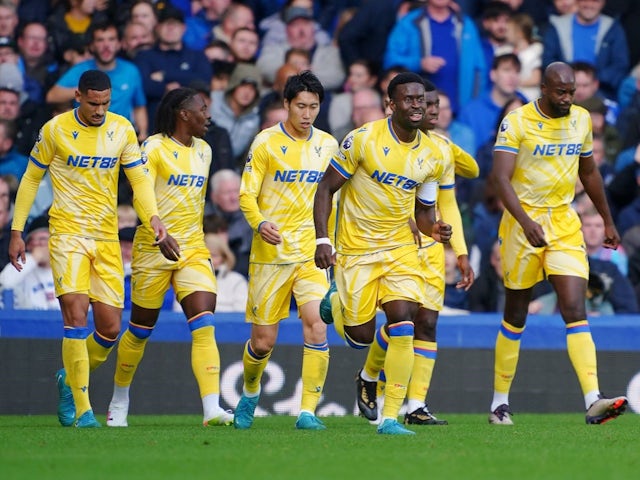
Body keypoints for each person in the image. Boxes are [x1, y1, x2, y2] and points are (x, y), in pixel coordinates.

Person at [7, 70, 167, 428]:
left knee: (110, 329)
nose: (99, 110)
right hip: (66, 234)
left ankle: (69, 377)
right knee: (76, 317)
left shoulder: (122, 129)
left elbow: (138, 177)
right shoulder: (55, 129)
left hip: (106, 238)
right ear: (78, 96)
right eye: (94, 103)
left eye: (105, 103)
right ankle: (83, 409)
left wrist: (153, 216)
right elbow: (32, 177)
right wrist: (17, 231)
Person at [489, 61, 627, 426]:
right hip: (522, 223)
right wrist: (524, 221)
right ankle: (499, 402)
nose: (568, 98)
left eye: (572, 92)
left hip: (564, 222)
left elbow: (589, 171)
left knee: (573, 306)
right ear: (544, 90)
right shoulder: (516, 122)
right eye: (561, 92)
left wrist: (608, 219)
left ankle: (593, 399)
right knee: (515, 314)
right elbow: (501, 178)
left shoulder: (580, 119)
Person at [314, 72, 450, 435]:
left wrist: (433, 229)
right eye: (408, 99)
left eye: (421, 99)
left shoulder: (434, 154)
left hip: (401, 249)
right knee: (359, 336)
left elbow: (424, 213)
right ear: (391, 104)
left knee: (404, 323)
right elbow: (325, 189)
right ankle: (338, 304)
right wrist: (322, 240)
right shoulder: (362, 140)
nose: (417, 105)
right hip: (357, 250)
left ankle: (390, 418)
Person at [106, 87, 233, 428]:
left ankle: (211, 409)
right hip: (153, 247)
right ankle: (119, 399)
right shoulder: (154, 148)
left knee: (205, 322)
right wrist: (158, 229)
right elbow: (140, 193)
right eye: (202, 109)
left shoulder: (205, 150)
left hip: (192, 247)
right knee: (140, 330)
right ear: (183, 113)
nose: (208, 115)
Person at [355, 82, 477, 426]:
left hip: (433, 245)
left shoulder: (439, 151)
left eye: (437, 105)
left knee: (428, 323)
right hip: (396, 243)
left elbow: (451, 199)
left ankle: (416, 405)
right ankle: (368, 376)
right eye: (428, 103)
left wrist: (462, 253)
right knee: (400, 322)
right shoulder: (382, 144)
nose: (433, 110)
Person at [233, 71, 338, 431]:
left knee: (318, 327)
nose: (307, 114)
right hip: (270, 255)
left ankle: (307, 411)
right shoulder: (265, 143)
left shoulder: (328, 145)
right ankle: (249, 390)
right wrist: (260, 223)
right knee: (263, 342)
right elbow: (246, 194)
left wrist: (332, 241)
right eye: (301, 106)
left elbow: (334, 199)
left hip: (311, 253)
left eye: (313, 107)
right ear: (286, 105)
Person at [0, 215, 57, 310]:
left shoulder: (68, 268)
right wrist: (33, 258)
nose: (41, 244)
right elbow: (4, 283)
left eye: (44, 239)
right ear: (28, 245)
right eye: (36, 240)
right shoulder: (24, 267)